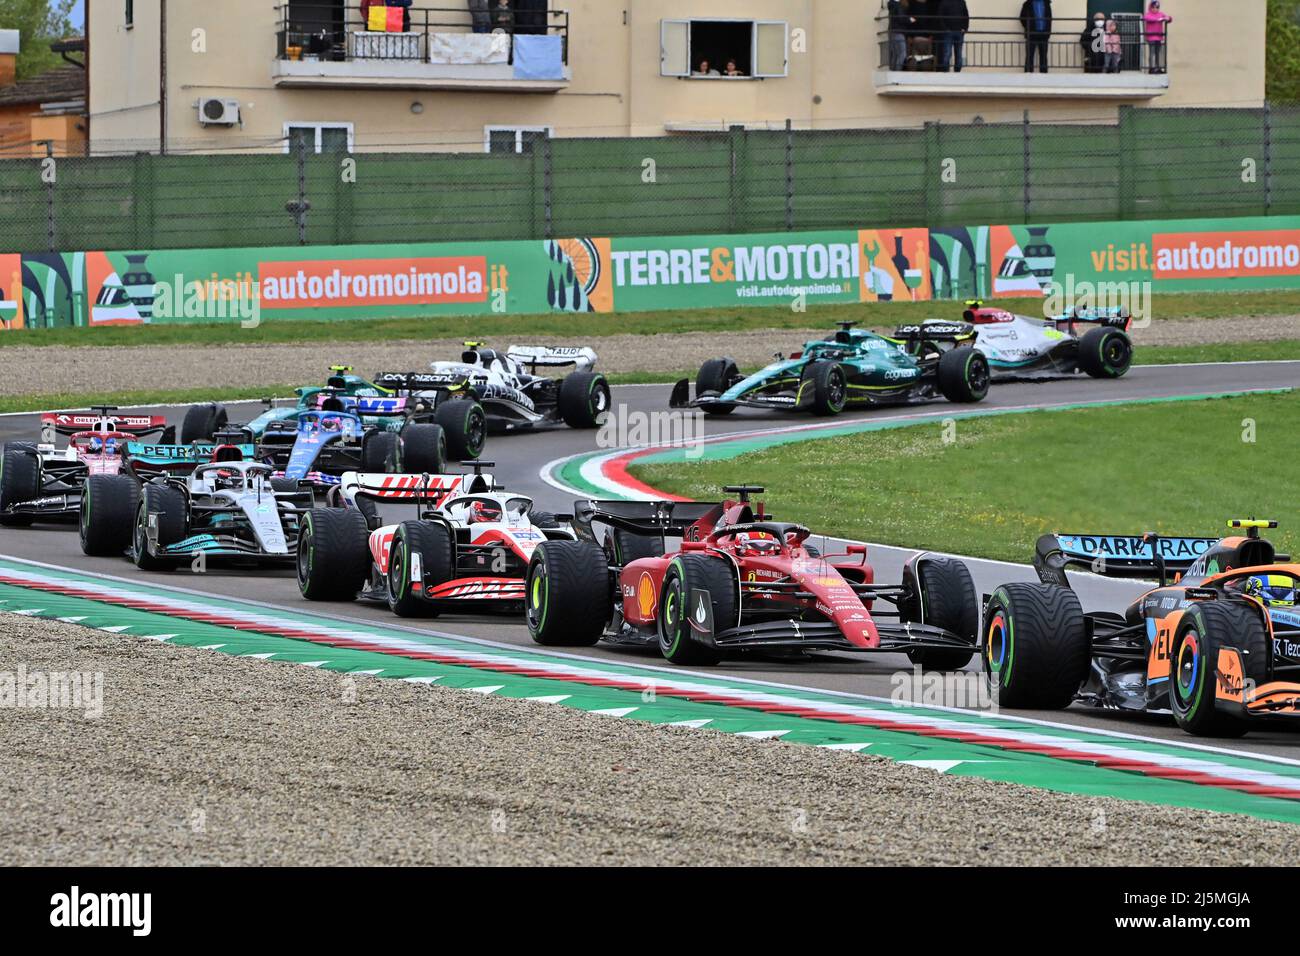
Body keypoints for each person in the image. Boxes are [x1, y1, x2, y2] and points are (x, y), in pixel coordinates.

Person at [1019, 0, 1052, 73]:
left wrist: (1048, 32)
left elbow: (1049, 18)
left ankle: (1044, 76)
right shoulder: (1027, 4)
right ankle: (1028, 76)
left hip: (1044, 34)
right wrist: (1029, 27)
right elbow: (1022, 18)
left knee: (1043, 56)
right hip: (1031, 34)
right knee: (1029, 56)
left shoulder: (1046, 3)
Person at [936, 0, 969, 73]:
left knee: (958, 53)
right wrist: (945, 29)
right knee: (948, 53)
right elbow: (940, 16)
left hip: (958, 31)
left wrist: (965, 28)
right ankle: (946, 71)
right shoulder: (945, 2)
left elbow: (966, 15)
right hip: (949, 32)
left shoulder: (961, 2)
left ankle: (956, 72)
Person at [1144, 0, 1171, 74]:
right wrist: (1158, 19)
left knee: (1158, 53)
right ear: (1151, 7)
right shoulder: (1148, 14)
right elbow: (1146, 18)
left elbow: (1169, 18)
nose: (1155, 9)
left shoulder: (1160, 14)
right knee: (1152, 53)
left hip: (1158, 37)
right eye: (1154, 7)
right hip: (1151, 37)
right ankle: (1152, 68)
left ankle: (1157, 67)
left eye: (1157, 7)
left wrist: (1168, 18)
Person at [886, 0, 914, 71]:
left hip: (893, 31)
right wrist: (910, 19)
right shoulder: (897, 5)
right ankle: (897, 71)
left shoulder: (893, 5)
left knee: (895, 54)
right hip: (898, 32)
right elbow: (901, 18)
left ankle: (893, 71)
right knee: (902, 53)